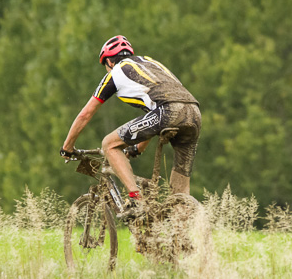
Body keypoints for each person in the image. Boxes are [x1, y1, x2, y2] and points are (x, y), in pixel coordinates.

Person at [61, 35, 201, 209]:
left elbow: (85, 114)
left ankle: (136, 198)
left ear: (109, 62)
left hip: (167, 111)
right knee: (180, 192)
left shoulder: (116, 72)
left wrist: (67, 147)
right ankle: (180, 226)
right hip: (194, 112)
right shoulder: (151, 63)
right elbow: (151, 116)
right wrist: (137, 148)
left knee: (109, 144)